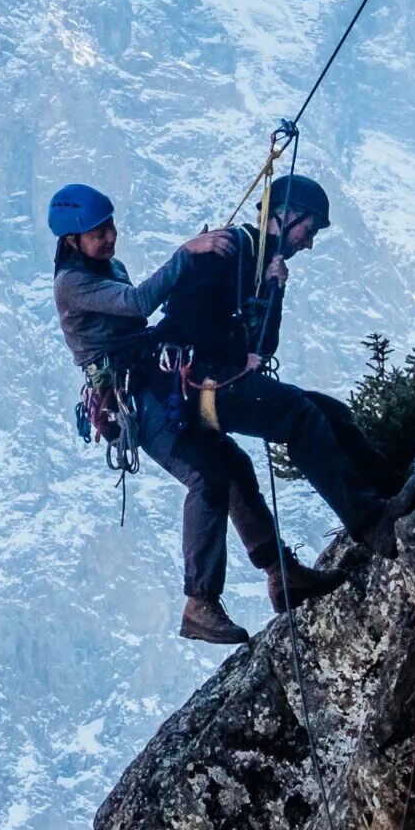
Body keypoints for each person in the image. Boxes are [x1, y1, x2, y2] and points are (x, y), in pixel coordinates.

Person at [47, 183, 338, 647]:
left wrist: (198, 268)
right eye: (98, 234)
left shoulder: (107, 267)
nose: (110, 238)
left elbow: (151, 306)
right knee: (205, 476)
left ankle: (280, 573)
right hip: (136, 400)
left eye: (110, 227)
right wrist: (186, 254)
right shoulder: (73, 284)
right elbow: (139, 304)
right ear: (71, 241)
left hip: (153, 381)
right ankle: (200, 604)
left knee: (233, 466)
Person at [148, 173, 408, 559]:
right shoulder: (229, 248)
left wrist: (276, 290)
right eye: (309, 227)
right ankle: (371, 524)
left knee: (329, 412)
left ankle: (392, 492)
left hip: (207, 384)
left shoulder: (262, 261)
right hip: (192, 385)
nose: (309, 240)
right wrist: (237, 355)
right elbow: (188, 314)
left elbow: (264, 345)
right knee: (299, 416)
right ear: (286, 215)